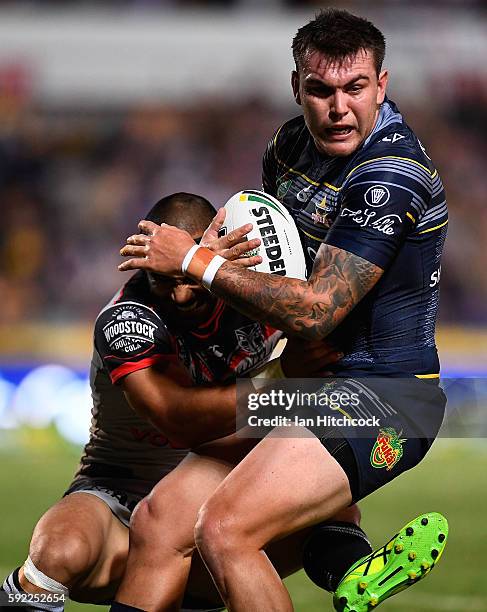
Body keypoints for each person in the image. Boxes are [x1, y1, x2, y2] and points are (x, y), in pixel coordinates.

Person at [116, 8, 449, 612]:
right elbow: (278, 264)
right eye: (320, 90)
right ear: (296, 88)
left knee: (225, 529)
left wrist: (196, 263)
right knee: (159, 522)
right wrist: (219, 260)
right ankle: (346, 556)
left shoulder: (391, 177)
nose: (338, 107)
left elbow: (319, 308)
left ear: (383, 85)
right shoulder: (289, 145)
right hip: (310, 385)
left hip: (385, 399)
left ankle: (342, 549)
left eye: (356, 88)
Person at [0, 192, 357, 612]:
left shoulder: (253, 292)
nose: (182, 296)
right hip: (118, 493)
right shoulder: (127, 318)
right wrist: (278, 378)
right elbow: (177, 420)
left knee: (326, 484)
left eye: (189, 278)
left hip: (209, 506)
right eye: (163, 280)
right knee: (60, 550)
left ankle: (349, 564)